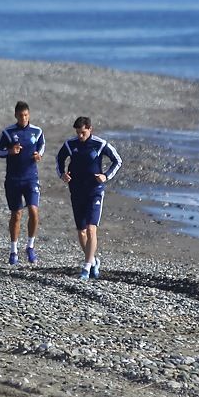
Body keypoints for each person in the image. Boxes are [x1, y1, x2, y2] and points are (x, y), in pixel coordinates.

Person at [56, 116, 122, 280]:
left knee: (92, 229)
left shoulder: (100, 144)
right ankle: (92, 261)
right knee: (81, 231)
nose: (80, 136)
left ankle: (85, 268)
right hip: (76, 191)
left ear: (90, 129)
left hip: (95, 191)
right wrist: (62, 174)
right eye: (78, 132)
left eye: (83, 132)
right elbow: (59, 159)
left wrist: (106, 176)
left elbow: (117, 160)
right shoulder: (70, 144)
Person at [0, 101, 45, 265]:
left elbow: (42, 145)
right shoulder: (8, 133)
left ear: (29, 115)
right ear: (16, 115)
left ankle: (30, 246)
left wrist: (39, 155)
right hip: (13, 179)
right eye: (21, 115)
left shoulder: (36, 131)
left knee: (34, 211)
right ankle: (13, 250)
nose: (23, 118)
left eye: (26, 115)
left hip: (31, 178)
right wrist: (9, 151)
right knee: (16, 214)